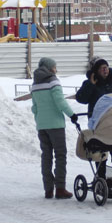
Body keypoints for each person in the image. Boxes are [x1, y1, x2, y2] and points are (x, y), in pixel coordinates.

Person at [75, 56, 112, 178]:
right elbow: (81, 99)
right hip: (99, 122)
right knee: (100, 150)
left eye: (106, 67)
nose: (105, 70)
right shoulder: (90, 83)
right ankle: (101, 177)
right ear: (96, 71)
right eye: (102, 68)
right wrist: (91, 84)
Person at [30, 57, 76, 199]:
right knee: (60, 156)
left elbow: (34, 107)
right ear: (50, 68)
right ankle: (60, 189)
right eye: (55, 67)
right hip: (55, 125)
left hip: (41, 126)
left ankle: (48, 189)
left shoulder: (35, 83)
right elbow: (60, 101)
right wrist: (71, 115)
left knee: (46, 156)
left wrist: (40, 119)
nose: (56, 70)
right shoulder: (53, 81)